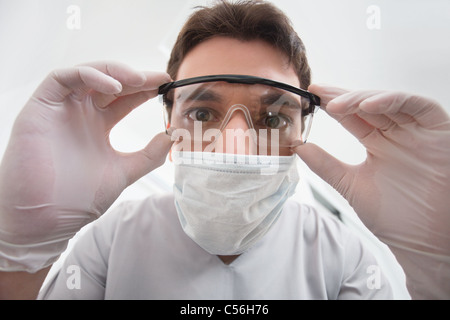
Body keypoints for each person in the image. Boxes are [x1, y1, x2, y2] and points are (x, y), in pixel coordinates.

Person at [0, 0, 449, 300]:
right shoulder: (111, 240)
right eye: (201, 115)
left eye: (272, 118)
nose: (235, 144)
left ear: (303, 135)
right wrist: (20, 254)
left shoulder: (343, 256)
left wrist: (437, 275)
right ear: (167, 123)